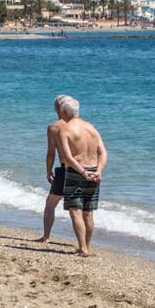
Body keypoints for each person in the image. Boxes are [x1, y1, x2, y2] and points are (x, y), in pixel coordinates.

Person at [51, 95, 106, 257]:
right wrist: (99, 171)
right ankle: (86, 246)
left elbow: (68, 157)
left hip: (77, 172)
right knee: (88, 212)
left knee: (75, 211)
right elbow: (102, 152)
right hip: (94, 172)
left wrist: (82, 172)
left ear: (63, 112)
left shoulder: (65, 129)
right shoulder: (91, 127)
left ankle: (82, 248)